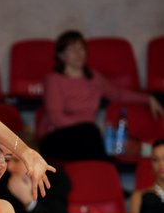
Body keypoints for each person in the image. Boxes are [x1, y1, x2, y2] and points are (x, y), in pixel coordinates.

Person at [38, 30, 164, 162]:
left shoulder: (94, 77)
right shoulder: (53, 79)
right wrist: (87, 127)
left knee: (109, 140)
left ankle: (145, 154)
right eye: (72, 50)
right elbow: (56, 118)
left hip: (88, 138)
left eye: (81, 48)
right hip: (57, 138)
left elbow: (118, 94)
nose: (78, 53)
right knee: (93, 135)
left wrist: (148, 98)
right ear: (61, 55)